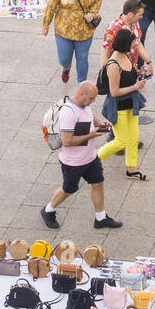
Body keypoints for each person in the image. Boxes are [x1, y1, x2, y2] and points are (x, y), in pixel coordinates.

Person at [41, 80, 122, 230]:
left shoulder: (85, 105)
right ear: (81, 94)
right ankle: (48, 210)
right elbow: (67, 141)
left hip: (90, 157)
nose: (93, 101)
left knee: (97, 183)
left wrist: (99, 124)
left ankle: (101, 218)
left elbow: (89, 118)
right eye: (91, 98)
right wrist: (92, 135)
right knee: (68, 189)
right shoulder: (69, 113)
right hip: (73, 162)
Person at [43, 0, 102, 84]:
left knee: (82, 57)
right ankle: (66, 67)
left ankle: (82, 84)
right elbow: (51, 6)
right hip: (64, 29)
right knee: (64, 58)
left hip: (84, 29)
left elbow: (97, 0)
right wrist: (46, 25)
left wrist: (93, 14)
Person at [97, 28, 149, 181]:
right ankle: (93, 160)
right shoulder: (113, 64)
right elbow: (114, 92)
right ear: (125, 44)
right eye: (132, 42)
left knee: (133, 138)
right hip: (118, 107)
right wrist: (135, 87)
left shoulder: (125, 56)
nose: (134, 44)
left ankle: (131, 169)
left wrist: (140, 72)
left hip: (131, 105)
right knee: (121, 140)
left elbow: (129, 76)